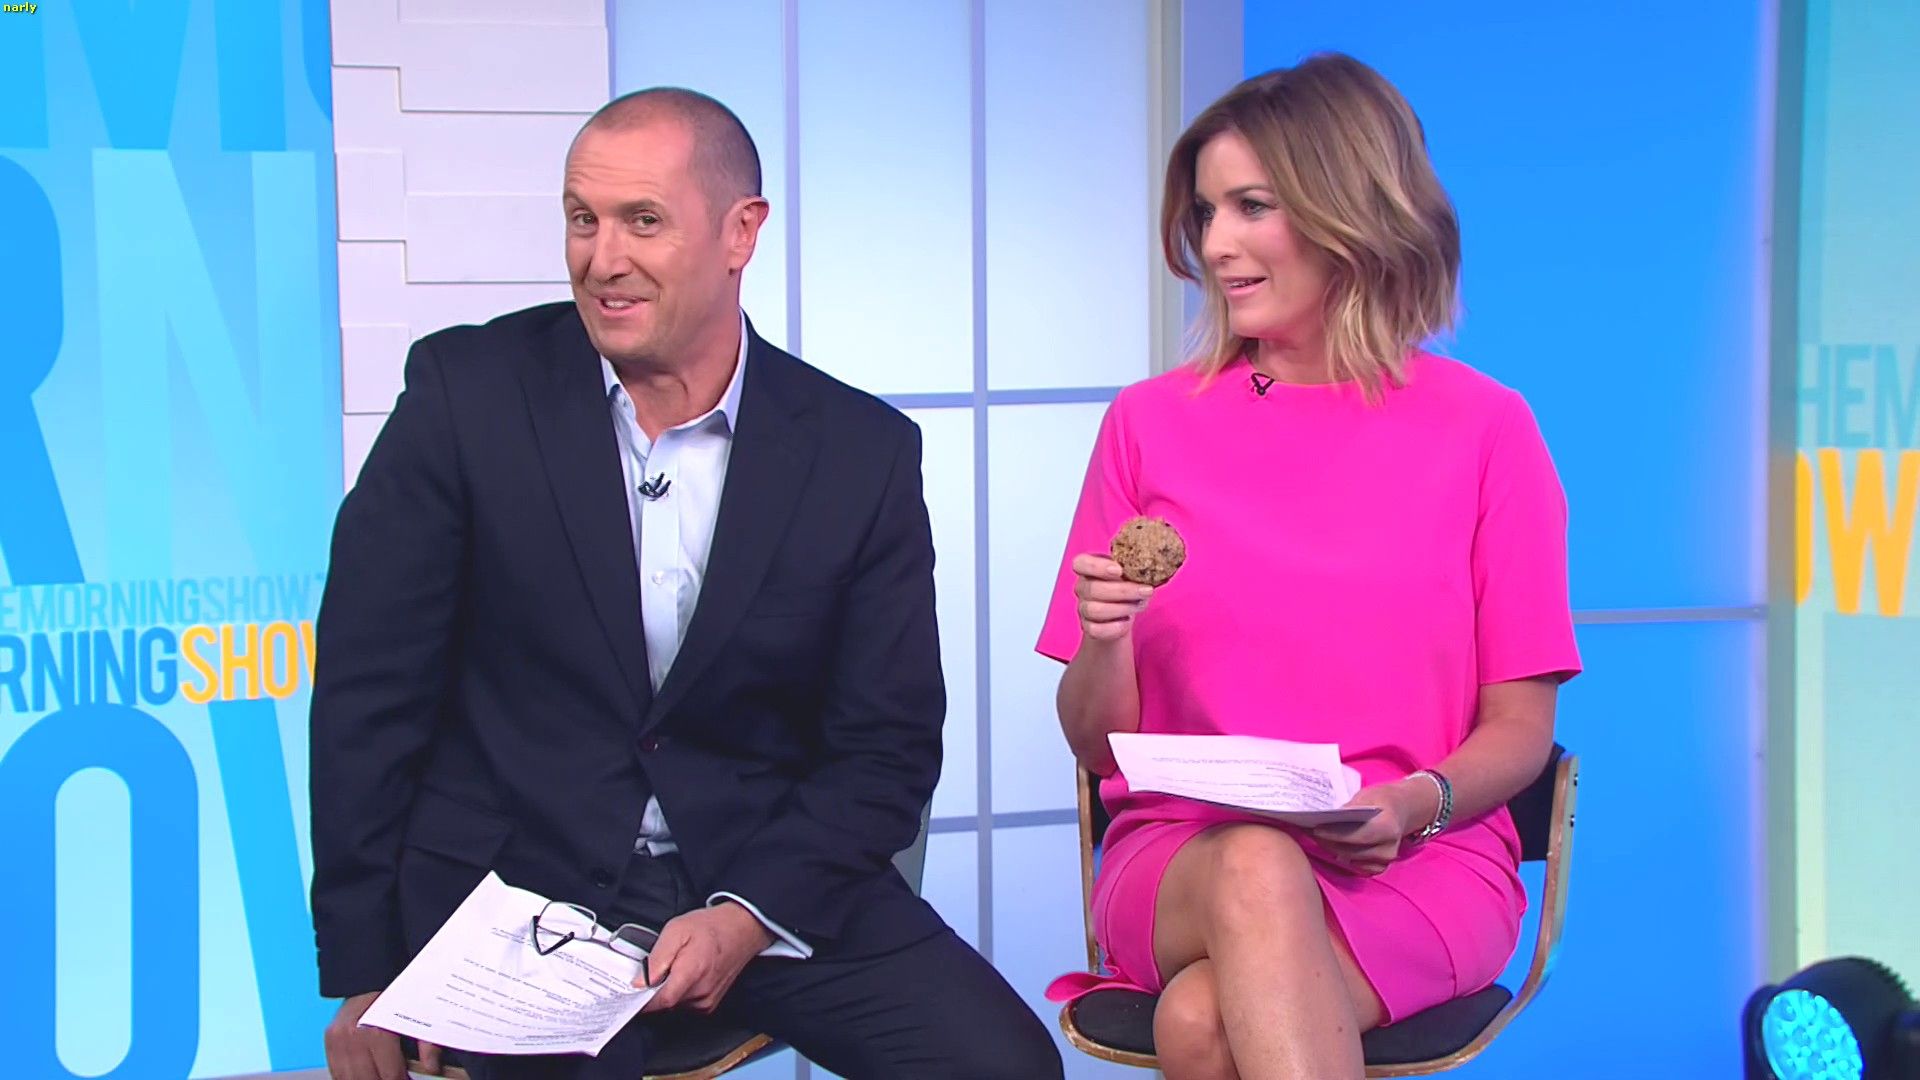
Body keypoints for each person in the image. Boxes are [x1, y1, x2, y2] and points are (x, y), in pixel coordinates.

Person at [309, 87, 1062, 1080]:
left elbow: (885, 748)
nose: (602, 258)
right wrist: (369, 970)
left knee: (1003, 1064)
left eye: (643, 221)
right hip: (517, 897)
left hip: (758, 876)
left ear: (740, 232)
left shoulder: (857, 453)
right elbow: (368, 697)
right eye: (582, 219)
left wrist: (747, 917)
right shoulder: (468, 396)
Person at [1037, 54, 1581, 1080]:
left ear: (1351, 211)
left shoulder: (1488, 432)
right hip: (1184, 857)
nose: (1216, 244)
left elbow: (1520, 729)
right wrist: (1103, 641)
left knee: (1203, 1023)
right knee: (1254, 865)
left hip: (1420, 856)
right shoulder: (1147, 426)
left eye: (1253, 207)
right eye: (1207, 212)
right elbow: (1098, 747)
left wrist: (1413, 803)